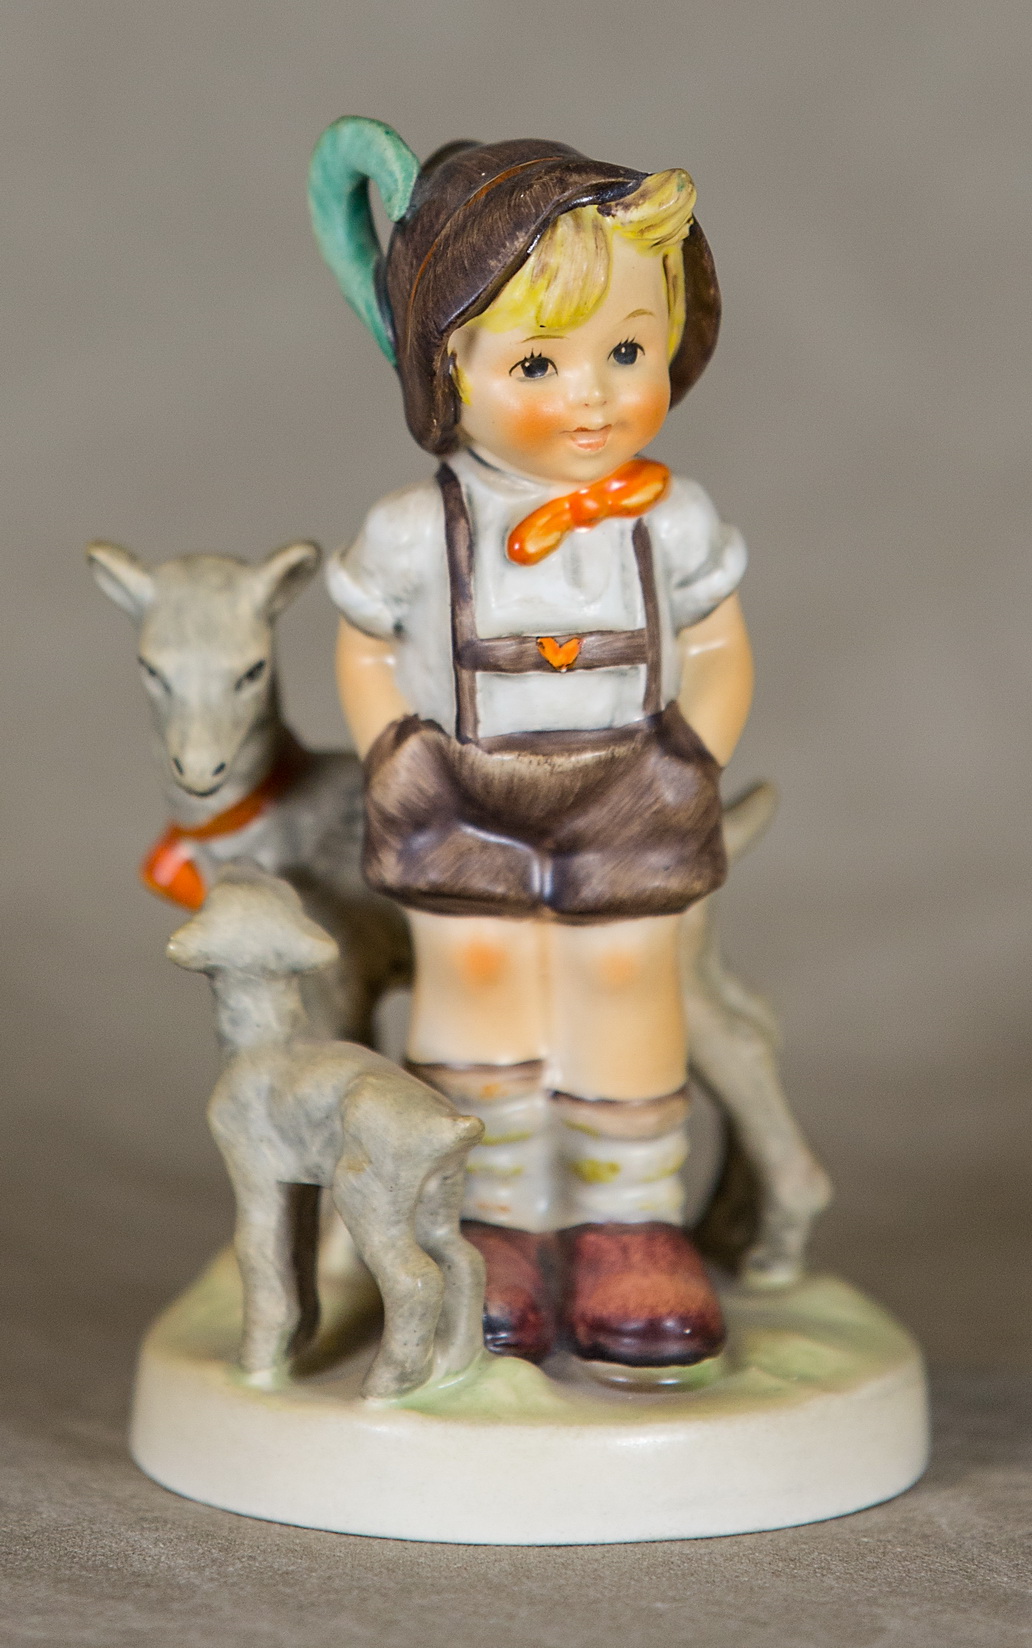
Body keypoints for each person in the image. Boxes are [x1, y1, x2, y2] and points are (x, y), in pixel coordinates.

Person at [311, 121, 753, 1377]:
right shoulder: (417, 530)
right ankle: (493, 1215)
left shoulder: (671, 519)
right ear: (446, 371)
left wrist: (695, 752)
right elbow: (363, 646)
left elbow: (718, 644)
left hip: (627, 776)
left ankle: (629, 1220)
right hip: (464, 786)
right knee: (476, 973)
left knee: (622, 976)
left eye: (628, 351)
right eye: (541, 362)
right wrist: (395, 746)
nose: (594, 394)